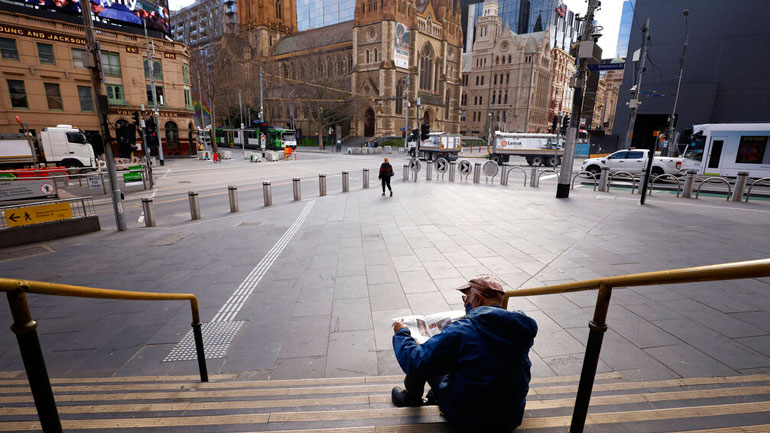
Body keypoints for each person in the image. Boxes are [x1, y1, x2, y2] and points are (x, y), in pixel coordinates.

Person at [391, 274, 538, 432]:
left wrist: (402, 334)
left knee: (424, 351)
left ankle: (412, 398)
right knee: (466, 356)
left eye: (466, 298)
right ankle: (435, 395)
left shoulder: (464, 330)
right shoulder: (519, 326)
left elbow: (415, 362)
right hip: (510, 416)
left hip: (470, 417)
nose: (465, 303)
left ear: (477, 299)